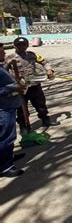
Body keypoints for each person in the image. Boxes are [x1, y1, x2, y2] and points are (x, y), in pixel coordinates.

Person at [5, 37, 59, 129]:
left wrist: (49, 70)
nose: (22, 47)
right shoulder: (10, 58)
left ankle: (45, 120)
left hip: (34, 85)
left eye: (24, 45)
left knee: (40, 104)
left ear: (27, 45)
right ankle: (23, 126)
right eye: (19, 45)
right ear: (15, 46)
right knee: (21, 107)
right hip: (20, 87)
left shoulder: (32, 55)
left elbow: (44, 62)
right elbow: (4, 72)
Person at [0, 43, 25, 177]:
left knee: (7, 136)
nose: (4, 53)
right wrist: (12, 88)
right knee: (6, 137)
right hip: (3, 109)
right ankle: (5, 167)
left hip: (8, 106)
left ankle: (7, 158)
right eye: (2, 52)